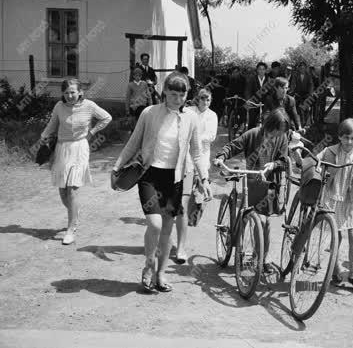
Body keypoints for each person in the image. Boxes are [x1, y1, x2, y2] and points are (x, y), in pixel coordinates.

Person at [113, 72, 211, 292]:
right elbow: (133, 143)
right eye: (173, 93)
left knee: (167, 228)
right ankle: (149, 265)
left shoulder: (191, 118)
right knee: (155, 224)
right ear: (164, 91)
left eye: (182, 94)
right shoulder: (149, 113)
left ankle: (161, 274)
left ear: (187, 95)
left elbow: (196, 152)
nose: (177, 99)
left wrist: (204, 178)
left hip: (174, 178)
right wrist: (117, 166)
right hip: (149, 176)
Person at [213, 109, 290, 274]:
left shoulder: (282, 138)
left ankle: (261, 258)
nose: (278, 134)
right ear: (270, 125)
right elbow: (233, 146)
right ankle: (235, 241)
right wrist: (221, 156)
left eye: (281, 131)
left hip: (269, 183)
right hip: (252, 181)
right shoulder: (253, 134)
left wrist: (274, 164)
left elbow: (284, 159)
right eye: (277, 130)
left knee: (266, 222)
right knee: (250, 217)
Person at [40, 78, 112, 245]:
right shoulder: (59, 107)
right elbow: (52, 125)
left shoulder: (89, 106)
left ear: (80, 92)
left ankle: (70, 229)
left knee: (72, 189)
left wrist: (92, 131)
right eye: (66, 93)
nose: (70, 95)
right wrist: (43, 137)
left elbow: (106, 118)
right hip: (61, 149)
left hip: (80, 148)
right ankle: (75, 214)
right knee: (63, 191)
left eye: (73, 92)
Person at [316, 118, 353, 292]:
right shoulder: (329, 151)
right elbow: (315, 162)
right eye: (346, 137)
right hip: (333, 199)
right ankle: (336, 270)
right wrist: (317, 169)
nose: (349, 142)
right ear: (339, 137)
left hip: (351, 201)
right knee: (336, 238)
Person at [175, 88, 218, 262]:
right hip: (185, 155)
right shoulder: (189, 111)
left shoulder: (212, 115)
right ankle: (182, 218)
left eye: (208, 99)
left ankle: (193, 215)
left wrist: (194, 137)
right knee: (183, 192)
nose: (205, 102)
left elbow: (211, 136)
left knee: (199, 187)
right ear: (197, 99)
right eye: (202, 99)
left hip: (202, 154)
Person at [244, 62, 269, 129]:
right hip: (254, 101)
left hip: (265, 103)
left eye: (263, 69)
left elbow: (271, 92)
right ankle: (250, 136)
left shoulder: (269, 80)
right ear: (257, 70)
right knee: (252, 121)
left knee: (267, 120)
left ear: (266, 70)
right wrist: (248, 100)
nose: (261, 71)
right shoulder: (252, 79)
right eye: (260, 69)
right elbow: (248, 90)